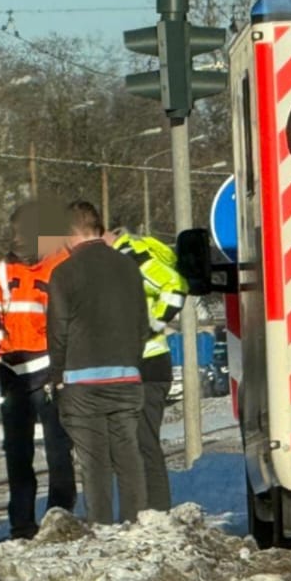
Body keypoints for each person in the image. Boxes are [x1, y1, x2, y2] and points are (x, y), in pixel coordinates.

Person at [0, 201, 77, 539]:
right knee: (17, 455)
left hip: (51, 370)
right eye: (14, 232)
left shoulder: (62, 265)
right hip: (12, 372)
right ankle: (21, 524)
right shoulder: (1, 272)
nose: (17, 239)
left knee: (58, 451)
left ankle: (59, 517)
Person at [46, 201, 151, 525]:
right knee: (128, 456)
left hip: (82, 383)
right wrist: (130, 362)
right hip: (126, 378)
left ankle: (102, 527)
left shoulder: (63, 273)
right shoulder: (128, 267)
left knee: (94, 463)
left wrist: (57, 376)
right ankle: (137, 524)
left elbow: (58, 331)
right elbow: (142, 325)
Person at [108, 227, 189, 513]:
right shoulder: (122, 256)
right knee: (133, 444)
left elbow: (175, 285)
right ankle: (145, 510)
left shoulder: (131, 256)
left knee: (143, 443)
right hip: (136, 364)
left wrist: (152, 326)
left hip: (147, 364)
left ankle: (156, 511)